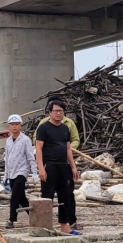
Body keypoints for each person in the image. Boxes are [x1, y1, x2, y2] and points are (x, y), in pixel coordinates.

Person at [35, 100, 81, 235]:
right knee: (47, 197)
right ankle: (45, 226)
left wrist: (73, 167)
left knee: (65, 196)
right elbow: (38, 149)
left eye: (61, 111)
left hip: (63, 166)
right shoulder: (43, 128)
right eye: (55, 111)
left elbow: (68, 149)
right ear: (50, 112)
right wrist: (41, 169)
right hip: (49, 166)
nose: (58, 113)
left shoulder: (65, 128)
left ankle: (64, 225)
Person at [3, 114, 37, 229]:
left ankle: (12, 219)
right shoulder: (8, 141)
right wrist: (6, 174)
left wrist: (35, 172)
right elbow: (7, 158)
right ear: (9, 126)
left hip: (22, 172)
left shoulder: (25, 140)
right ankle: (35, 216)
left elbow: (30, 157)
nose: (14, 127)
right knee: (21, 197)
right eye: (12, 124)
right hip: (12, 172)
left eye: (16, 124)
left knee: (15, 196)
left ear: (20, 126)